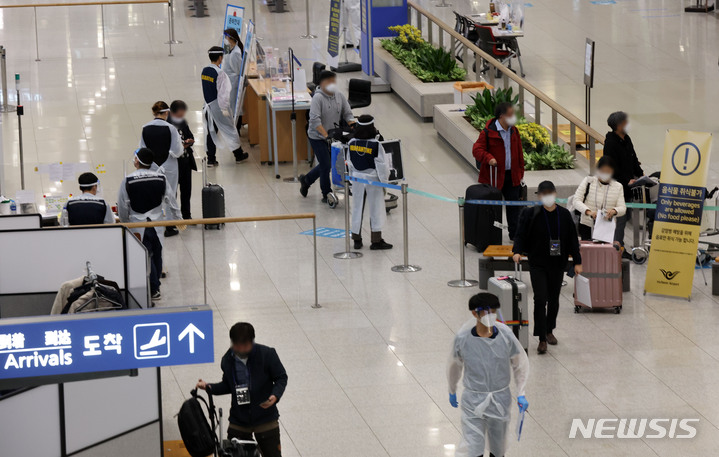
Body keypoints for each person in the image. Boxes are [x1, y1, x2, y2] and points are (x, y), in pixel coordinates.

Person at [447, 293, 530, 457]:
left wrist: (521, 393)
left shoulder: (506, 336)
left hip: (499, 400)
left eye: (493, 310)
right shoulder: (463, 339)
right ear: (474, 313)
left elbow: (520, 364)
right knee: (473, 448)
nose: (490, 315)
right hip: (473, 402)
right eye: (485, 311)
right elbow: (453, 367)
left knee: (498, 449)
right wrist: (452, 389)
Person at [196, 322, 288, 457]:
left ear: (252, 342)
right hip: (239, 419)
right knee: (232, 453)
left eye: (244, 345)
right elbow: (228, 385)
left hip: (265, 417)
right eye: (237, 345)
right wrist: (209, 387)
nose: (240, 349)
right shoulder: (228, 360)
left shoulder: (267, 354)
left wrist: (275, 395)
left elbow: (281, 377)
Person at [512, 181, 582, 354]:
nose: (547, 197)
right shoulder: (531, 214)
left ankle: (550, 330)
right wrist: (517, 251)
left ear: (555, 194)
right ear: (539, 196)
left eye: (550, 193)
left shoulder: (564, 215)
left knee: (554, 299)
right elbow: (520, 234)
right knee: (540, 299)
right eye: (543, 194)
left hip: (558, 264)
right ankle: (542, 338)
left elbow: (573, 240)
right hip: (537, 263)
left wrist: (578, 262)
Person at [117, 148, 182, 300]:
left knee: (146, 255)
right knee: (157, 254)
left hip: (138, 224)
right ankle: (155, 283)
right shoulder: (161, 178)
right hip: (157, 223)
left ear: (137, 161)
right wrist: (179, 219)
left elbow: (122, 205)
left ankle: (153, 287)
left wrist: (126, 223)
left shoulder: (128, 181)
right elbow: (171, 200)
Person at [299, 70, 355, 204]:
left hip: (334, 135)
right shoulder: (317, 98)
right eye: (329, 82)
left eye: (333, 81)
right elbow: (315, 121)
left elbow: (347, 113)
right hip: (317, 136)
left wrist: (353, 125)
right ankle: (326, 193)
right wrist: (326, 136)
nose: (332, 84)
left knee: (329, 163)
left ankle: (306, 180)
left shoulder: (339, 96)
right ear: (322, 83)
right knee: (326, 164)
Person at [472, 102, 525, 240]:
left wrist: (520, 174)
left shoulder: (514, 131)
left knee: (514, 207)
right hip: (493, 177)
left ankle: (515, 235)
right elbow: (477, 149)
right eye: (510, 115)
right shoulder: (488, 132)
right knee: (492, 209)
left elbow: (519, 153)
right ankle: (491, 235)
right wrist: (489, 158)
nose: (513, 117)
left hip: (512, 176)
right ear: (501, 116)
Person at [347, 115, 392, 250]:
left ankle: (356, 240)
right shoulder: (376, 144)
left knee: (356, 208)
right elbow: (382, 166)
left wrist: (351, 181)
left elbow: (349, 163)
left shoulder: (351, 143)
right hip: (373, 180)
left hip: (356, 179)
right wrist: (385, 183)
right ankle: (376, 241)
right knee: (376, 208)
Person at [139, 101, 183, 237]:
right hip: (169, 165)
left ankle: (153, 222)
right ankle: (170, 226)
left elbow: (142, 150)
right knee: (170, 194)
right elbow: (177, 150)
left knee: (153, 194)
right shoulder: (171, 128)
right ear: (166, 113)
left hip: (151, 166)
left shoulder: (145, 128)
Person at [603, 111, 644, 247]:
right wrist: (626, 180)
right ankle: (617, 247)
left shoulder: (627, 139)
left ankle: (619, 245)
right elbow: (611, 168)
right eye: (626, 122)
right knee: (620, 219)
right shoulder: (610, 143)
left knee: (625, 216)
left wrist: (641, 175)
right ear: (619, 125)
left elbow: (633, 159)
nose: (628, 124)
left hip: (629, 187)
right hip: (617, 187)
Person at [202, 46, 248, 167]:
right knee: (230, 129)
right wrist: (225, 111)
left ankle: (211, 159)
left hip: (207, 106)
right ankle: (238, 155)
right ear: (220, 58)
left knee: (211, 131)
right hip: (219, 107)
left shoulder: (204, 70)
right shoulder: (220, 73)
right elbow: (223, 95)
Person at [572, 156, 626, 242]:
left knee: (604, 253)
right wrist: (589, 212)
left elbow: (622, 208)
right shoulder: (588, 181)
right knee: (588, 252)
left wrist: (614, 211)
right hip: (587, 225)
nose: (605, 173)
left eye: (608, 171)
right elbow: (576, 200)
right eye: (602, 171)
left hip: (607, 227)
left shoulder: (618, 186)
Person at [168, 100, 197, 220]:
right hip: (174, 163)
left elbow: (190, 135)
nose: (181, 117)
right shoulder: (167, 125)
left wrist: (189, 141)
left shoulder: (183, 122)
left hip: (186, 162)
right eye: (179, 115)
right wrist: (181, 146)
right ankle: (174, 216)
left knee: (186, 190)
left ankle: (187, 214)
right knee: (172, 191)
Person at [223, 28, 244, 134]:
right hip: (227, 80)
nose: (225, 39)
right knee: (229, 105)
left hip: (233, 82)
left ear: (231, 38)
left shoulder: (236, 53)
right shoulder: (227, 47)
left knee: (235, 106)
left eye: (226, 36)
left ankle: (237, 127)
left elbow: (237, 69)